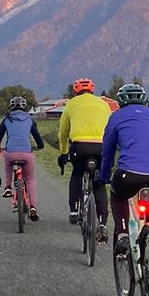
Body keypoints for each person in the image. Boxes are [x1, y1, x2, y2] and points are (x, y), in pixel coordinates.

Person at [97, 82, 149, 255]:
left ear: (120, 102)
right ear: (144, 100)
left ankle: (123, 234)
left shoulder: (116, 117)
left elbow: (107, 152)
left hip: (129, 173)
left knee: (118, 197)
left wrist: (103, 177)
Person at [57, 78, 114, 240]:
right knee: (100, 183)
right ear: (92, 90)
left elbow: (63, 132)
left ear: (75, 91)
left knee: (77, 173)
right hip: (101, 146)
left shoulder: (71, 104)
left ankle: (74, 211)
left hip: (80, 147)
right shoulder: (103, 104)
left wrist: (63, 152)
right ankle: (102, 223)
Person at [0, 95, 44, 220]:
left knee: (7, 159)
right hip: (26, 153)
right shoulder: (29, 119)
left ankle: (8, 187)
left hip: (11, 152)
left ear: (11, 106)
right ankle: (33, 207)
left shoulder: (7, 119)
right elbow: (37, 136)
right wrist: (40, 146)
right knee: (30, 179)